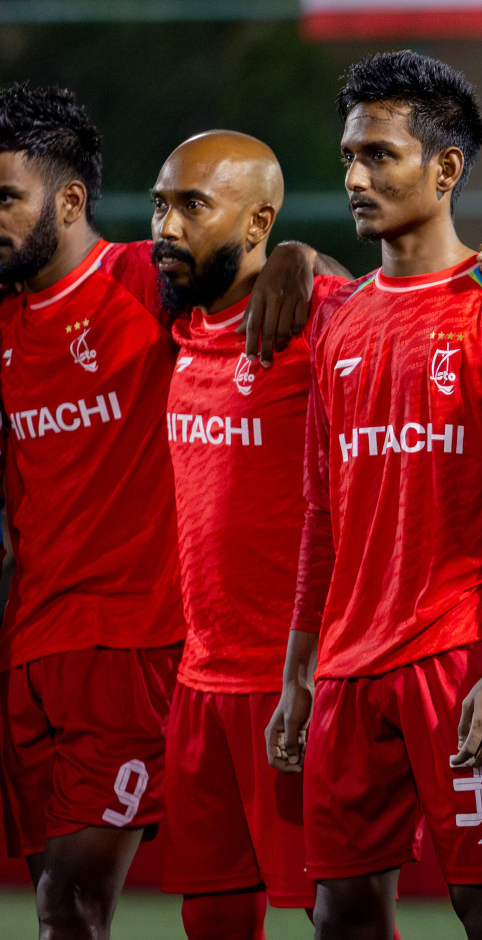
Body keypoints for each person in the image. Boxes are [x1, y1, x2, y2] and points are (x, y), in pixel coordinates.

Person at [0, 83, 331, 939]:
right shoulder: (4, 318)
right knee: (61, 907)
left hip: (136, 649)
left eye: (5, 197)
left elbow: (273, 275)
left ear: (69, 200)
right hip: (30, 650)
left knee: (68, 900)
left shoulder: (146, 284)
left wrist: (303, 253)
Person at [270, 50, 482, 940]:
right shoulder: (339, 321)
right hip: (350, 673)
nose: (356, 177)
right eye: (349, 158)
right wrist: (299, 672)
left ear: (444, 169)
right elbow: (322, 513)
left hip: (463, 656)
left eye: (379, 156)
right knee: (341, 918)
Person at [151, 130, 353, 937]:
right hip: (199, 687)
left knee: (344, 916)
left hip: (296, 681)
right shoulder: (178, 321)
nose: (167, 225)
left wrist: (314, 260)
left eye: (192, 206)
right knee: (213, 920)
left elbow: (399, 300)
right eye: (162, 204)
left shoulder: (314, 319)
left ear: (259, 218)